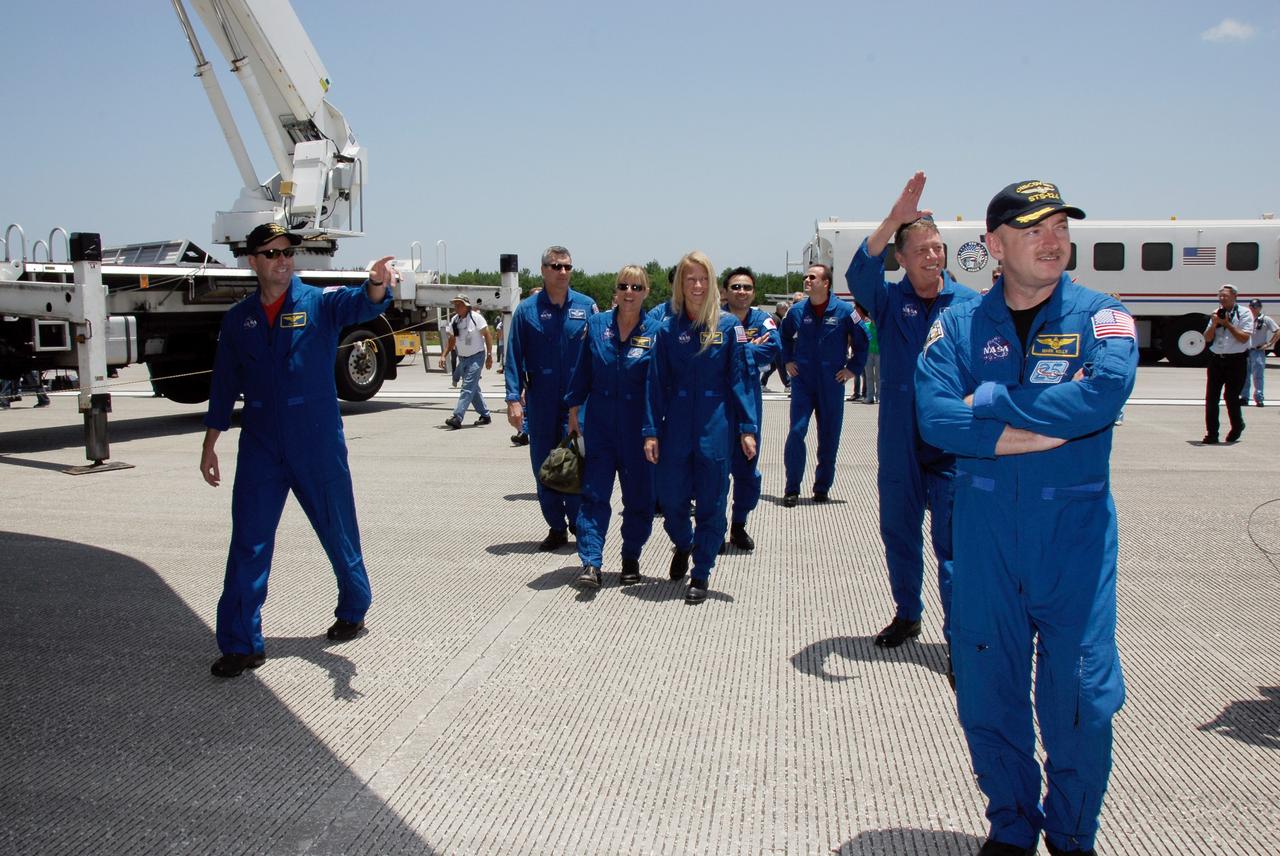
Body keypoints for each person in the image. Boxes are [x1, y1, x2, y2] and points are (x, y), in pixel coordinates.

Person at [916, 180, 1137, 856]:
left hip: (1071, 541)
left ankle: (1072, 836)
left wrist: (987, 402)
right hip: (985, 540)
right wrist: (1034, 427)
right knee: (988, 690)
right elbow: (933, 416)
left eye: (1061, 227)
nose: (1054, 240)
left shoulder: (1105, 318)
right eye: (1034, 228)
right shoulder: (955, 324)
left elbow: (1101, 396)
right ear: (994, 246)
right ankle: (1012, 828)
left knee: (1079, 696)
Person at [200, 223, 397, 678]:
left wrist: (375, 285)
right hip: (261, 444)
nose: (282, 260)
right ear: (252, 261)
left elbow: (358, 304)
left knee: (338, 530)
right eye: (271, 254)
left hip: (316, 440)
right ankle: (241, 643)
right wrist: (211, 442)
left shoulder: (318, 304)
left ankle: (354, 603)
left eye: (288, 252)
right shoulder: (239, 320)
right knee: (248, 541)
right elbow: (224, 385)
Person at [846, 172, 979, 650]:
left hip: (951, 445)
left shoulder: (969, 305)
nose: (932, 257)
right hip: (900, 442)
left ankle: (957, 633)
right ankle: (908, 613)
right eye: (920, 250)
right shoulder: (886, 301)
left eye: (938, 248)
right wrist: (893, 219)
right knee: (900, 533)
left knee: (954, 547)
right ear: (900, 259)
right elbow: (859, 273)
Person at [643, 251, 758, 604]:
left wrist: (747, 426)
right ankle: (683, 542)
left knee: (712, 501)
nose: (697, 285)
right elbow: (655, 382)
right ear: (680, 284)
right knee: (672, 498)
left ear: (712, 284)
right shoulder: (667, 329)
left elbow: (740, 377)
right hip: (676, 423)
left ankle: (702, 572)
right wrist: (650, 431)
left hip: (715, 422)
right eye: (690, 278)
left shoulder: (727, 327)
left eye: (703, 278)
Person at [564, 265, 659, 588]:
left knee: (639, 498)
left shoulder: (656, 332)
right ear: (615, 291)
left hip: (638, 428)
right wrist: (574, 411)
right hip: (600, 424)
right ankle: (591, 562)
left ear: (646, 292)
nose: (629, 293)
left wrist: (654, 431)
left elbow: (659, 388)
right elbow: (582, 372)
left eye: (636, 287)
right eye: (623, 286)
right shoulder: (596, 325)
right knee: (593, 495)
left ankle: (631, 557)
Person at [505, 246, 597, 550]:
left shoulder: (587, 308)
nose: (562, 272)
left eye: (567, 267)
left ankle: (578, 521)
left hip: (577, 404)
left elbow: (600, 355)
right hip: (541, 402)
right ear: (543, 269)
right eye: (556, 266)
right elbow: (514, 356)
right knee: (544, 468)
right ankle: (556, 527)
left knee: (575, 465)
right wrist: (513, 399)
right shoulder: (527, 311)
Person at [779, 264, 867, 507]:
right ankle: (792, 488)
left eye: (813, 277)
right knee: (796, 431)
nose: (807, 280)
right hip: (804, 382)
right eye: (806, 277)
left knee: (829, 436)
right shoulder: (796, 311)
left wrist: (853, 368)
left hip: (832, 382)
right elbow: (783, 336)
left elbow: (863, 339)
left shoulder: (846, 311)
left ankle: (822, 487)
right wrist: (787, 360)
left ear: (826, 283)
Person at [721, 266, 781, 550]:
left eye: (746, 287)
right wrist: (748, 349)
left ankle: (739, 524)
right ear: (725, 291)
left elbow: (773, 349)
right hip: (717, 403)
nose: (741, 292)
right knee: (714, 471)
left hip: (749, 401)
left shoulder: (763, 319)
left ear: (753, 292)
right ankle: (713, 528)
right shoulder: (713, 319)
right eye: (735, 287)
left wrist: (737, 350)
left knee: (747, 469)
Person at [1202, 283, 1254, 444]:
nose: (1222, 298)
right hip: (1217, 359)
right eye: (1220, 296)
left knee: (1231, 397)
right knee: (1211, 398)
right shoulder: (1217, 313)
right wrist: (1216, 323)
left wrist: (1227, 324)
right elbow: (1207, 338)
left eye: (1225, 295)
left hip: (1236, 360)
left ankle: (1237, 426)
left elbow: (1244, 337)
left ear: (1234, 297)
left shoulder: (1245, 313)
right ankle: (1212, 433)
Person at [439, 295, 494, 429]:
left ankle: (457, 417)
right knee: (473, 389)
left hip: (477, 357)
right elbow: (452, 340)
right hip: (463, 358)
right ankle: (485, 415)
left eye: (459, 304)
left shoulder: (476, 318)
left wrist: (489, 355)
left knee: (467, 387)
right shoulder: (454, 320)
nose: (456, 307)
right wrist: (443, 355)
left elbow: (487, 335)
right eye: (455, 304)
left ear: (466, 306)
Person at [1242, 298, 1278, 406]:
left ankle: (1259, 397)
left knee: (1258, 376)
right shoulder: (1246, 318)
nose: (1253, 309)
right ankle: (1244, 397)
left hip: (1258, 351)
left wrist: (1269, 344)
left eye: (1255, 307)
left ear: (1260, 308)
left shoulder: (1265, 319)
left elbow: (1277, 331)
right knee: (1244, 376)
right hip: (1246, 350)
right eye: (1251, 307)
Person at [760, 300, 792, 392]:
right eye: (786, 309)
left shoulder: (779, 318)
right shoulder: (775, 318)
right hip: (776, 346)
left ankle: (762, 384)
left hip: (776, 346)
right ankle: (788, 385)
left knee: (773, 366)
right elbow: (773, 333)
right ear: (780, 309)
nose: (787, 311)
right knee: (781, 365)